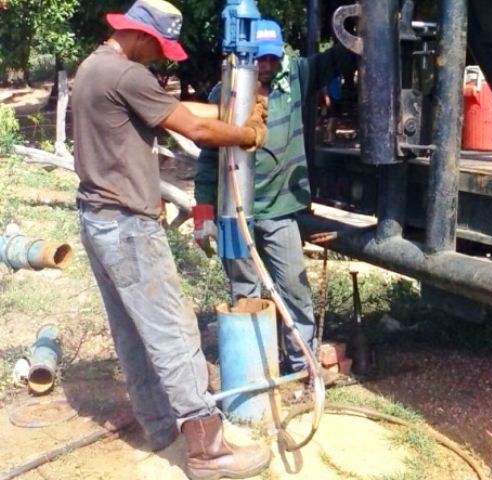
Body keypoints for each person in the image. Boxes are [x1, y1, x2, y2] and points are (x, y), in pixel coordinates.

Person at [71, 1, 270, 479]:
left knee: (132, 330)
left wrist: (237, 112)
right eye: (159, 47)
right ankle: (209, 452)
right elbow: (197, 128)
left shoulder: (95, 68)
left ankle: (160, 426)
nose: (160, 57)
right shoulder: (127, 75)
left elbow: (177, 111)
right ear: (141, 36)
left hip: (98, 219)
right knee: (174, 331)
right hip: (128, 228)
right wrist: (246, 134)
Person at [194, 19, 356, 374]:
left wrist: (363, 23)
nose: (266, 66)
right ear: (244, 58)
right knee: (246, 292)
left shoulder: (297, 77)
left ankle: (301, 368)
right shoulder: (225, 94)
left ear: (281, 54)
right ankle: (254, 368)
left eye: (271, 58)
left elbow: (341, 58)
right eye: (259, 60)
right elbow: (208, 160)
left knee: (294, 292)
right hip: (234, 214)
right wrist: (203, 214)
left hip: (280, 211)